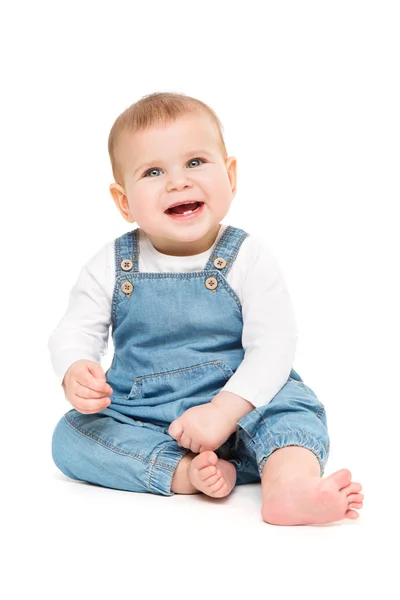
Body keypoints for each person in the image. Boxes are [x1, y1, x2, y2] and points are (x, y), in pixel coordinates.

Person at [49, 92, 363, 526]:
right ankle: (184, 473)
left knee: (292, 413)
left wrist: (223, 411)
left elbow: (274, 346)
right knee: (71, 437)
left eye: (195, 162)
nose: (178, 182)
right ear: (124, 202)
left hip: (245, 403)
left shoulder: (247, 256)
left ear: (230, 175)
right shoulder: (110, 262)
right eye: (153, 171)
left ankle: (287, 487)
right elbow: (75, 330)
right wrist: (75, 368)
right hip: (150, 415)